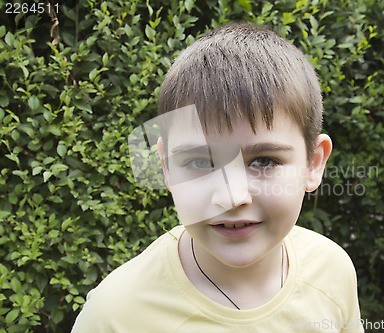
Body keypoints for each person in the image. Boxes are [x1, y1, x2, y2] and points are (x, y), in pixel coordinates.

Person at [71, 23, 364, 332]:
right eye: (199, 162)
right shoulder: (114, 317)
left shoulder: (332, 271)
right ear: (167, 167)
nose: (232, 197)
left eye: (264, 161)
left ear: (313, 164)